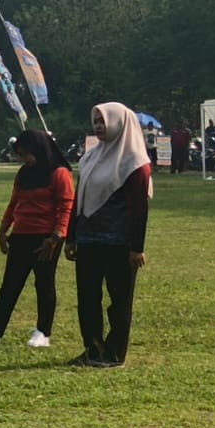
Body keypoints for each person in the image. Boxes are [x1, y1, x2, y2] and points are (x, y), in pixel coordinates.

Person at [0, 130, 73, 348]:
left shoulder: (59, 173)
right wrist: (3, 229)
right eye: (20, 154)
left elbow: (66, 206)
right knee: (10, 284)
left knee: (44, 283)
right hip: (21, 235)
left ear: (38, 150)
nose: (22, 159)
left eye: (25, 154)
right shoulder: (23, 174)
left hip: (47, 238)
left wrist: (56, 236)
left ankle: (43, 332)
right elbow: (15, 202)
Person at [67, 103, 152, 368]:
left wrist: (137, 247)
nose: (98, 126)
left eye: (103, 121)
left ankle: (114, 353)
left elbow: (140, 209)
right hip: (88, 240)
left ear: (120, 123)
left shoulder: (135, 163)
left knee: (119, 302)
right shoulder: (91, 157)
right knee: (87, 299)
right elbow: (79, 199)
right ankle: (93, 349)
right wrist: (71, 236)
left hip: (119, 244)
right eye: (95, 121)